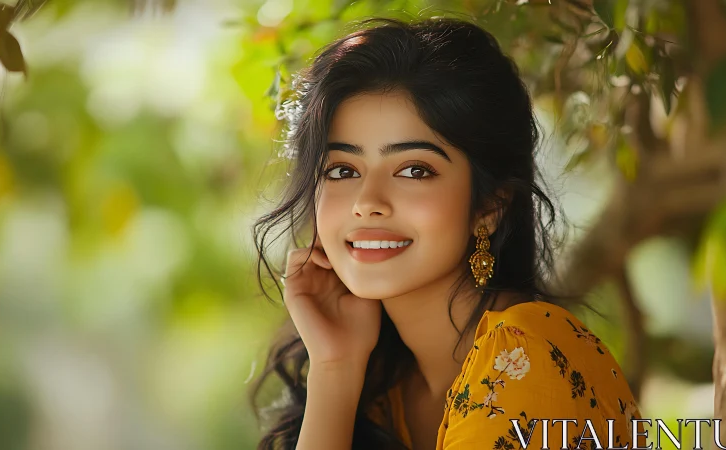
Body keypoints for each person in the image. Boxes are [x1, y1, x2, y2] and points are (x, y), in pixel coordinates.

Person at [249, 16, 644, 450]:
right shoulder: (386, 386)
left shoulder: (526, 360)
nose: (367, 201)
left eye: (415, 170)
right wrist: (335, 367)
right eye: (343, 169)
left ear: (488, 207)